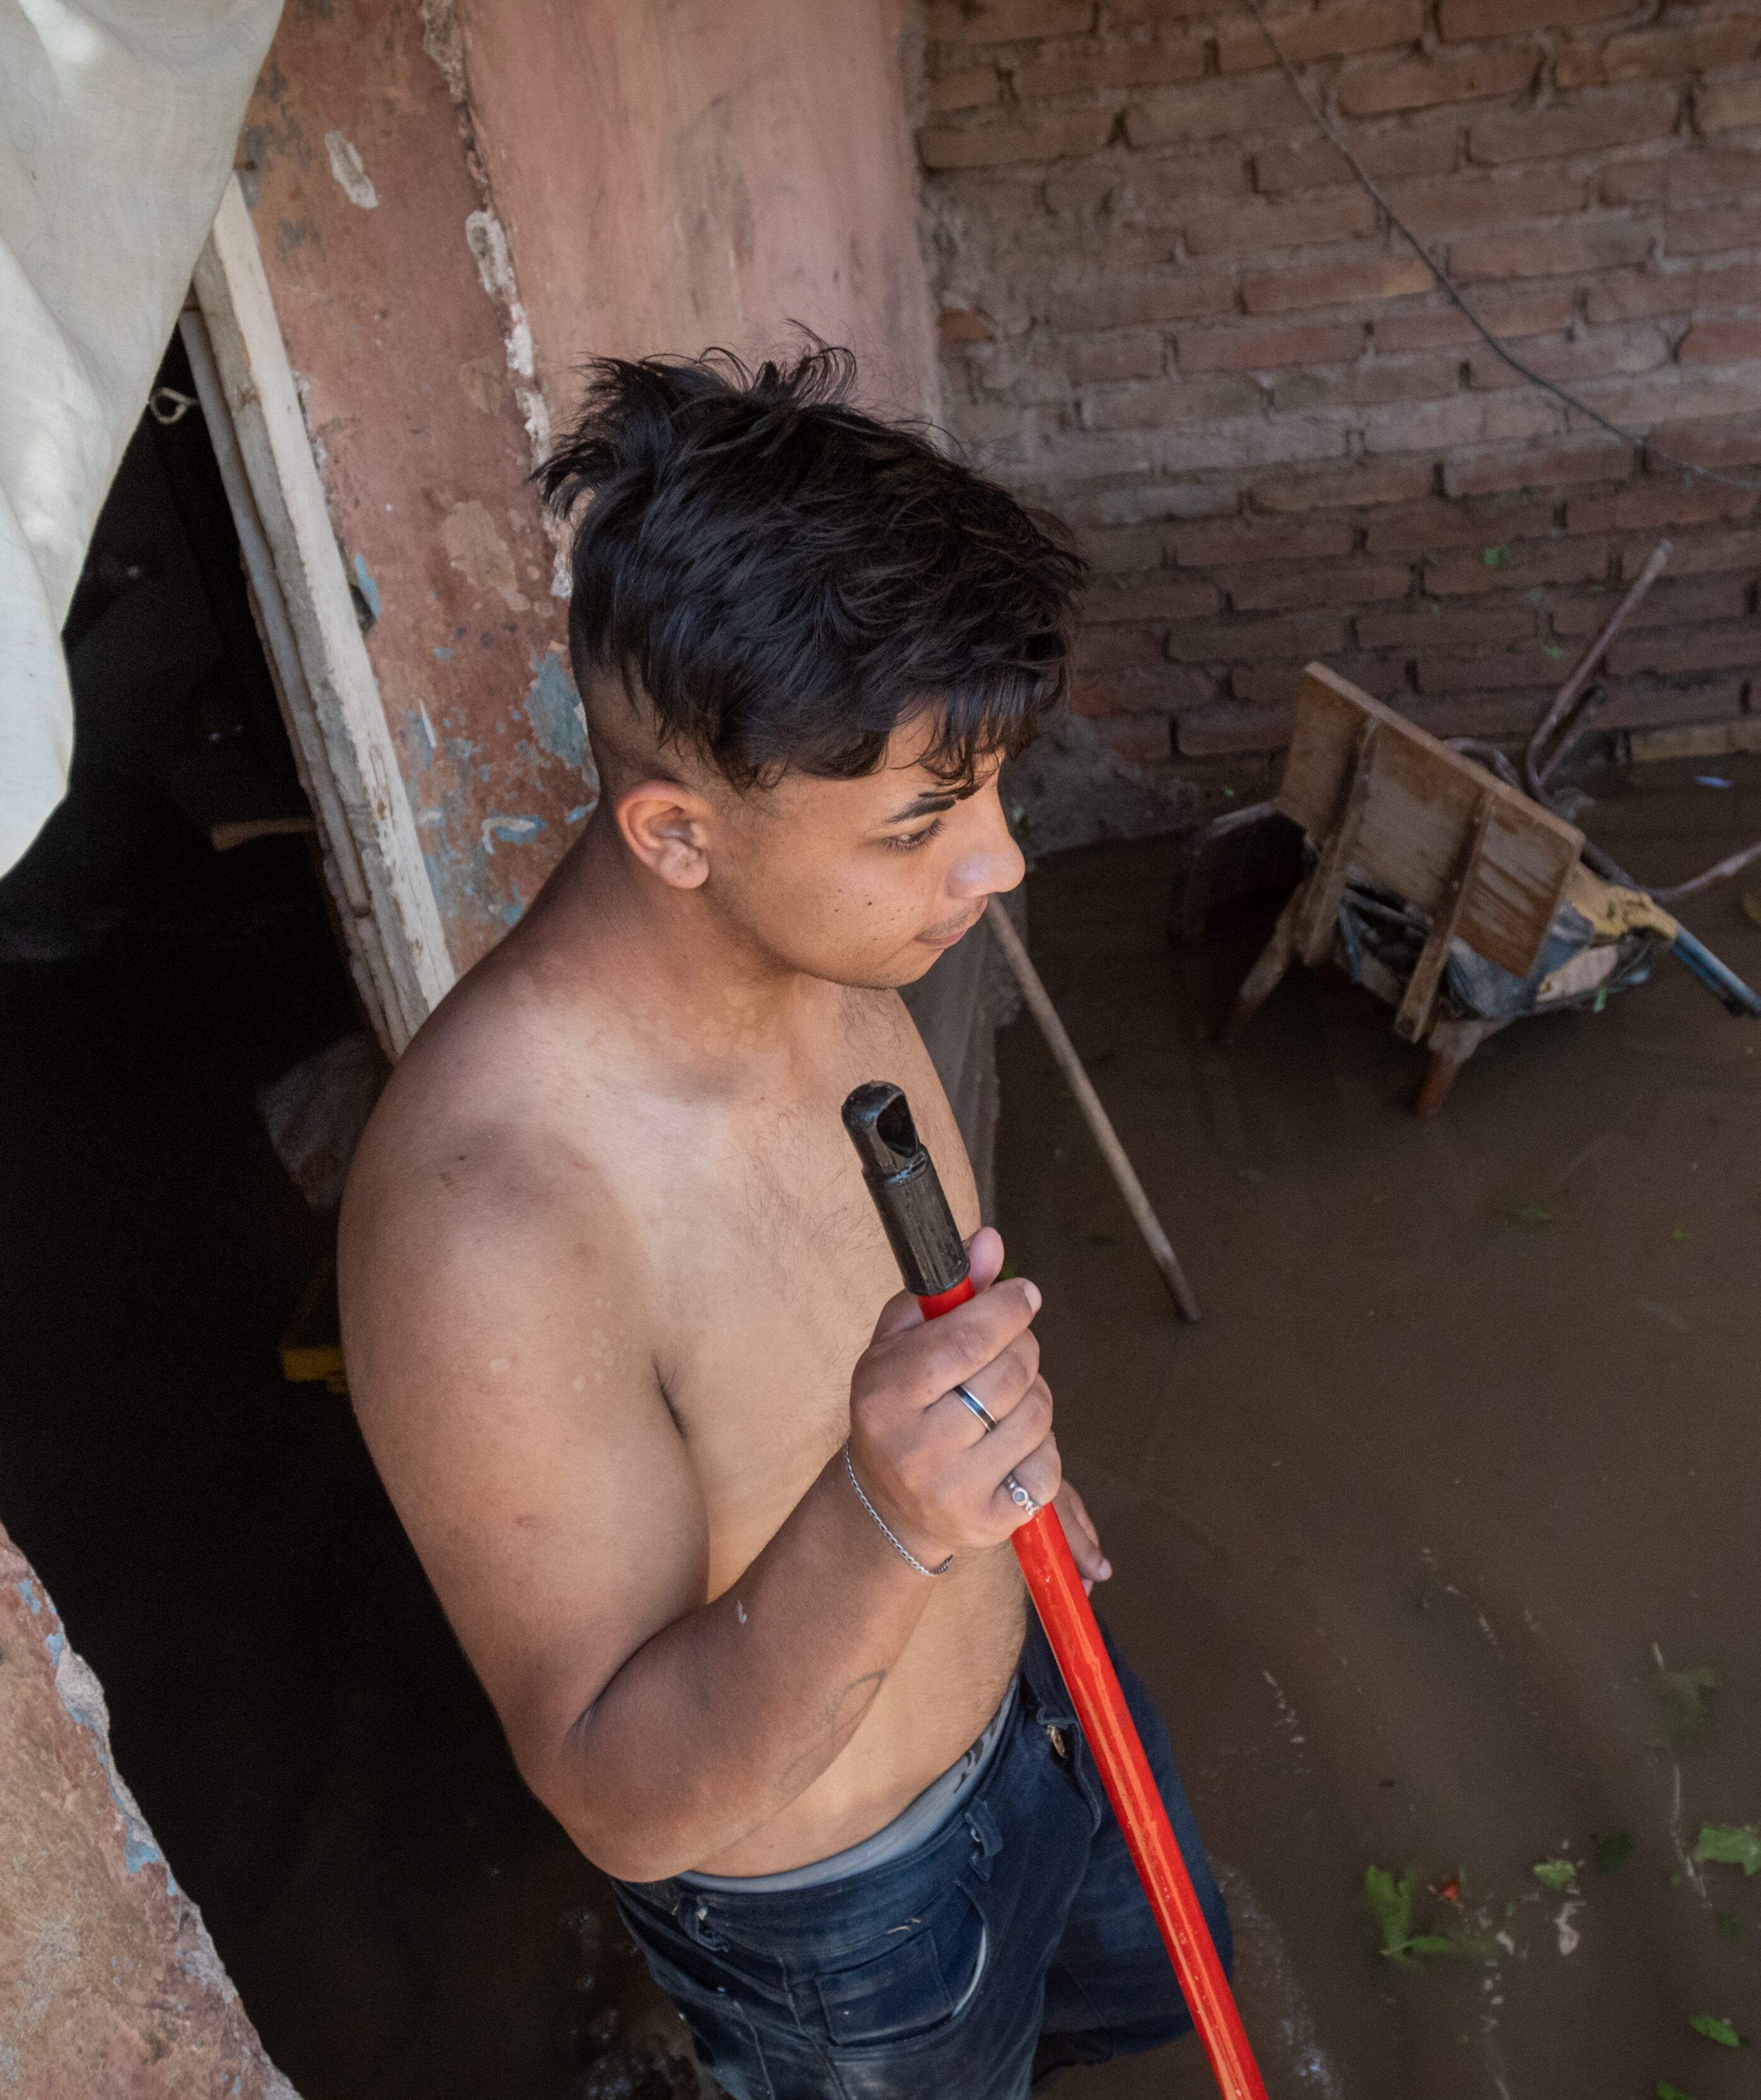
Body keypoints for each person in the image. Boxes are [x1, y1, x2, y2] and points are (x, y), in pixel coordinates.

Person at [335, 347, 1231, 2098]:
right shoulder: (490, 1220)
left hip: (1045, 1677)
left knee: (1135, 2006)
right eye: (921, 823)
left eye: (987, 791)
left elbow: (920, 1302)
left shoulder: (837, 955)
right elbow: (609, 1782)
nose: (998, 866)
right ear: (676, 832)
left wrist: (1003, 1483)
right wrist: (897, 1523)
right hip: (847, 1907)